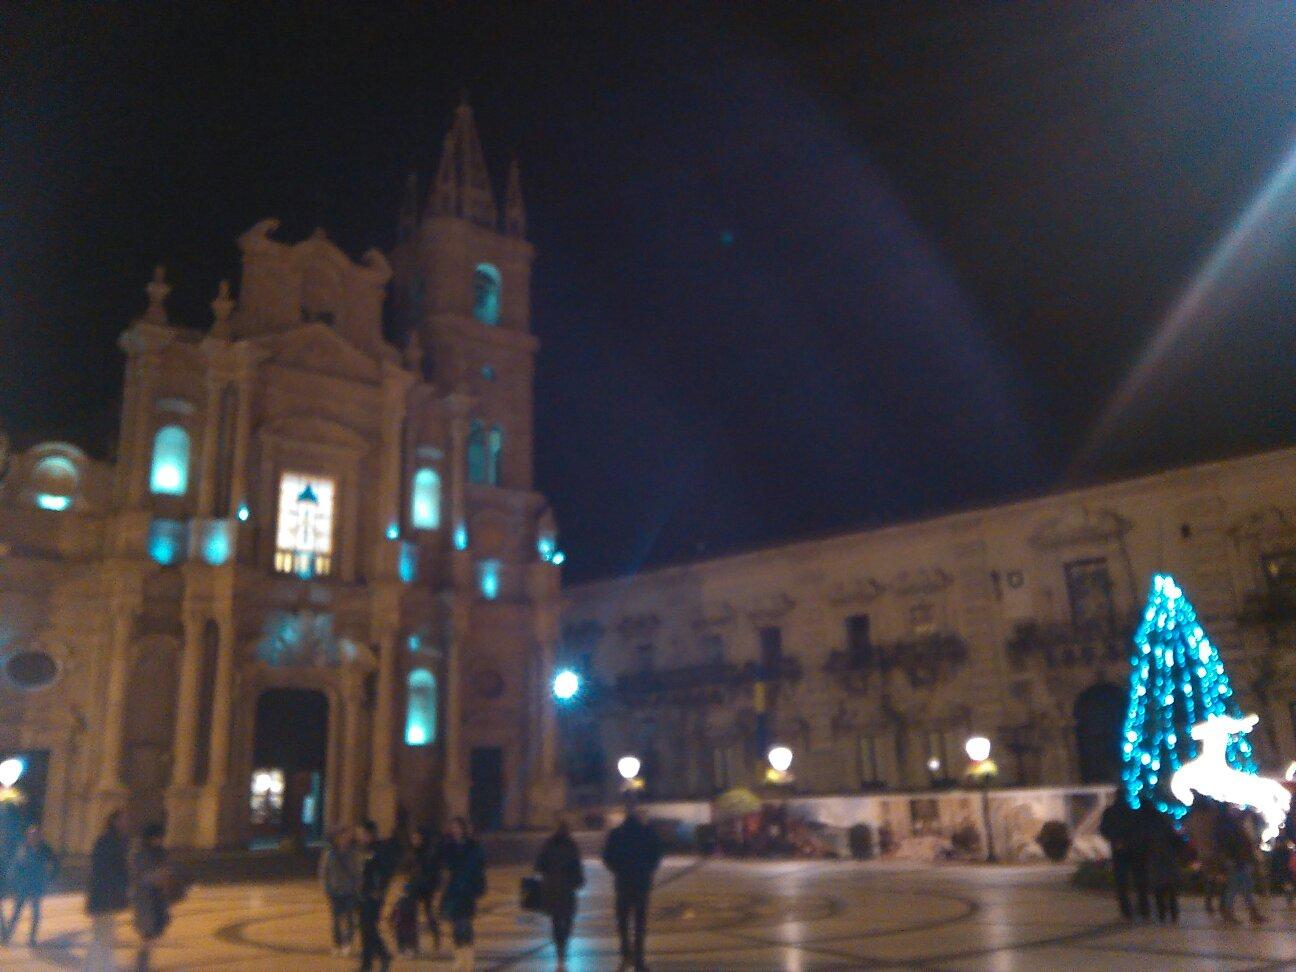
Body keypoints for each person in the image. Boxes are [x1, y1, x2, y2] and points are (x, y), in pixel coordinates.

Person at [602, 801, 662, 972]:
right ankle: (639, 959)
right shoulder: (647, 833)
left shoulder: (616, 834)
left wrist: (618, 870)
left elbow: (607, 857)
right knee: (640, 924)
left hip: (623, 883)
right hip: (641, 882)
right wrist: (647, 870)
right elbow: (656, 855)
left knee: (623, 923)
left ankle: (625, 955)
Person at [535, 818, 585, 969]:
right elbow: (577, 866)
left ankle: (560, 956)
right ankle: (562, 952)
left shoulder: (548, 844)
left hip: (553, 889)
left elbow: (539, 866)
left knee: (557, 923)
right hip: (567, 889)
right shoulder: (571, 845)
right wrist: (578, 881)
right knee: (567, 922)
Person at [85, 809, 131, 972]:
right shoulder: (107, 841)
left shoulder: (116, 840)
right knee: (102, 937)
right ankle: (97, 968)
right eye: (123, 819)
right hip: (104, 898)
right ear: (115, 821)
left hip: (107, 897)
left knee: (104, 936)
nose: (126, 823)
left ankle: (100, 967)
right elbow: (104, 871)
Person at [440, 817, 486, 971]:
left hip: (467, 891)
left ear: (463, 828)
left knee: (465, 925)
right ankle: (459, 958)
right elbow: (444, 863)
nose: (455, 830)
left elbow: (479, 865)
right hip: (453, 891)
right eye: (453, 827)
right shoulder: (449, 846)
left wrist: (476, 886)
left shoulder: (473, 846)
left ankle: (469, 958)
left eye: (457, 827)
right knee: (456, 926)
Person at [1, 823, 57, 946]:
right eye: (31, 835)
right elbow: (15, 865)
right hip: (23, 887)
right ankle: (8, 936)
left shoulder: (45, 849)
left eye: (35, 835)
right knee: (16, 912)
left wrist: (50, 879)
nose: (33, 837)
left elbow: (54, 864)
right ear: (27, 836)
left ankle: (32, 938)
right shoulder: (23, 848)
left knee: (35, 914)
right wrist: (13, 881)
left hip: (36, 887)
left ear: (39, 836)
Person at [1099, 793, 1149, 922]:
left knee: (1121, 882)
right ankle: (1144, 908)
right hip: (1134, 849)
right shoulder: (1131, 811)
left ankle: (1126, 911)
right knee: (1139, 879)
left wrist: (1114, 839)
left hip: (1118, 849)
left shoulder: (1110, 812)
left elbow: (1104, 829)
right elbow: (1139, 829)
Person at [130, 823, 172, 971]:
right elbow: (137, 877)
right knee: (147, 934)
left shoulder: (161, 852)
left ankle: (142, 964)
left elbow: (167, 870)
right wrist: (156, 876)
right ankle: (141, 966)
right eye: (157, 837)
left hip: (158, 899)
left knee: (152, 934)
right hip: (146, 899)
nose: (159, 840)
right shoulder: (140, 853)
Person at [1218, 804, 1267, 925]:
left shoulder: (1230, 825)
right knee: (1237, 887)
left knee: (1244, 887)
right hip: (1237, 861)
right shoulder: (1230, 826)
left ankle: (1250, 912)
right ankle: (1240, 913)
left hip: (1239, 860)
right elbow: (1235, 845)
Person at [356, 820, 392, 972]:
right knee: (365, 928)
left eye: (363, 833)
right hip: (363, 893)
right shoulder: (365, 849)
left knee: (369, 927)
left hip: (373, 895)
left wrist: (379, 889)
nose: (360, 836)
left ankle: (383, 955)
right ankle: (367, 963)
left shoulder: (379, 849)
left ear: (370, 834)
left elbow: (385, 872)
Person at [319, 826, 359, 956]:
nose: (344, 839)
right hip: (335, 892)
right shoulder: (329, 854)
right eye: (341, 837)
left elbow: (357, 871)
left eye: (346, 837)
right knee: (336, 920)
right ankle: (337, 943)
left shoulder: (352, 853)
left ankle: (347, 943)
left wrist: (357, 886)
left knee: (349, 919)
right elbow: (323, 872)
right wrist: (327, 888)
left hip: (349, 891)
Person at [1183, 794, 1226, 914]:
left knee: (1209, 879)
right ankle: (1223, 905)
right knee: (1222, 878)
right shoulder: (1212, 816)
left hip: (1202, 852)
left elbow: (1187, 832)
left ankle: (1209, 904)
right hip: (1216, 851)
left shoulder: (1192, 819)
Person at [1144, 805, 1183, 924]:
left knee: (1159, 889)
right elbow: (1178, 843)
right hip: (1168, 859)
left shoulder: (1148, 830)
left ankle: (1162, 913)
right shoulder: (1167, 827)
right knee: (1170, 888)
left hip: (1156, 860)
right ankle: (1173, 912)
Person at [388, 881, 420, 957]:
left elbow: (396, 910)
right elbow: (396, 910)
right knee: (408, 936)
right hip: (407, 922)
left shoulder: (402, 900)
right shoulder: (410, 900)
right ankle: (410, 949)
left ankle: (406, 949)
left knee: (403, 936)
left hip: (404, 922)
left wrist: (392, 919)